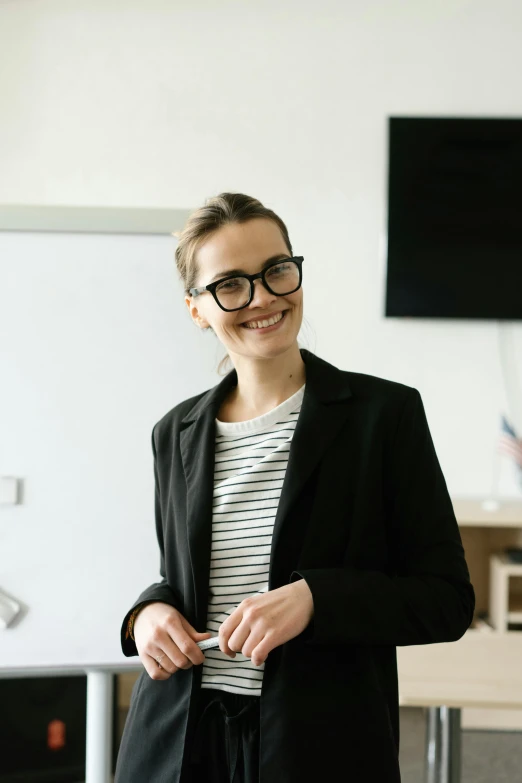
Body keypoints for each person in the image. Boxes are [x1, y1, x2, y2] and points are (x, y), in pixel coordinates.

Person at [114, 192, 475, 783]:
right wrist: (147, 613)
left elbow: (446, 602)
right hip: (177, 745)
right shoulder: (174, 431)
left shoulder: (384, 416)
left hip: (320, 746)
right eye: (231, 284)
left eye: (277, 270)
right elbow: (183, 579)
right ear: (197, 308)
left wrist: (316, 600)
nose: (263, 298)